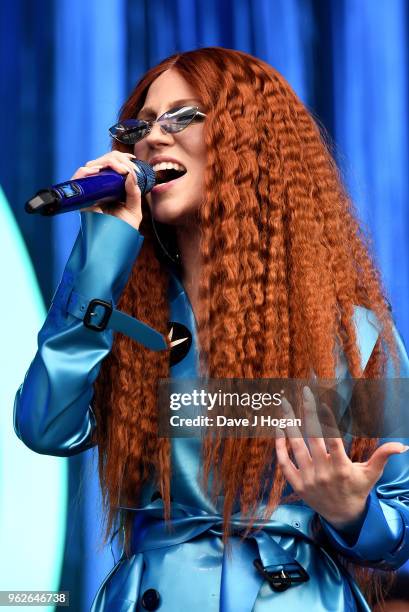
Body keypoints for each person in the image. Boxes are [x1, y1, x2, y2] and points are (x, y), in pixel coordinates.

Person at [13, 47, 409, 612]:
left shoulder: (353, 334)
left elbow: (403, 520)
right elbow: (43, 426)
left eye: (182, 116)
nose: (153, 138)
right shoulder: (122, 318)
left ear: (252, 141)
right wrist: (99, 252)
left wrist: (352, 511)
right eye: (142, 125)